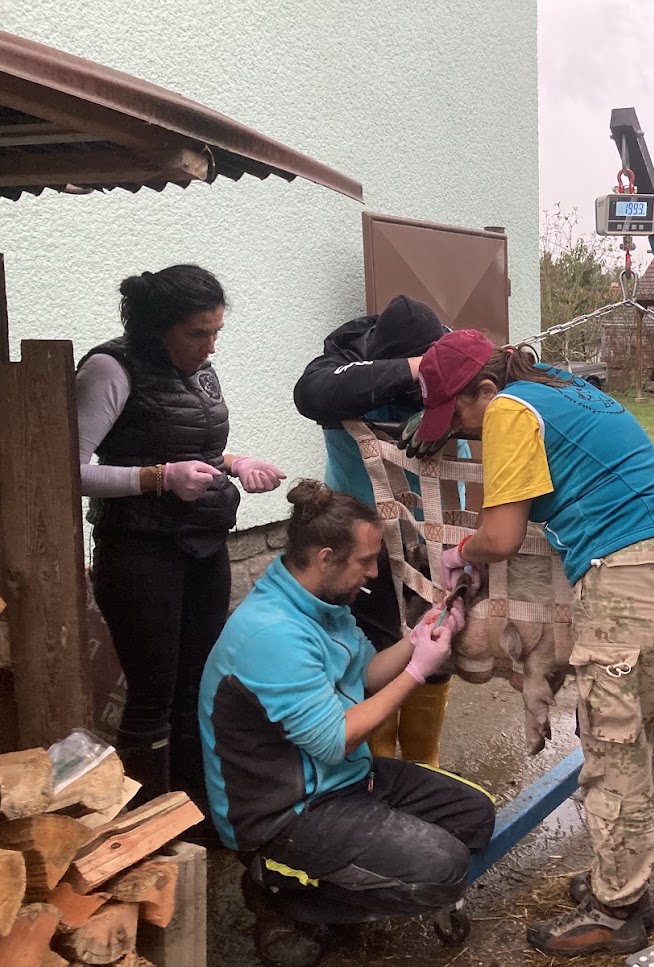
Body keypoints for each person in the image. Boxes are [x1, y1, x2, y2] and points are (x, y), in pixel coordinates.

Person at [411, 329, 654, 957]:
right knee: (626, 738)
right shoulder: (564, 388)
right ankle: (621, 881)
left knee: (610, 747)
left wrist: (458, 552)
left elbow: (503, 534)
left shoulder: (512, 410)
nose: (464, 434)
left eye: (459, 416)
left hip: (627, 578)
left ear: (485, 390)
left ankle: (616, 912)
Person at [199, 480, 495, 967]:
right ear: (324, 557)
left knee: (475, 814)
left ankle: (340, 879)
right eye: (366, 561)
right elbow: (335, 739)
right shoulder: (272, 634)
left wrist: (417, 638)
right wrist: (419, 672)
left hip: (346, 781)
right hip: (285, 813)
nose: (374, 573)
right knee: (441, 869)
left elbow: (365, 675)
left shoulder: (323, 607)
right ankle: (277, 893)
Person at [75, 264, 285, 812]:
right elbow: (65, 469)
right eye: (198, 333)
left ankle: (194, 817)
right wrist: (157, 479)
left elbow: (198, 441)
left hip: (203, 546)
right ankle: (146, 824)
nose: (210, 346)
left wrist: (239, 463)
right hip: (141, 554)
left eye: (217, 331)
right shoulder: (109, 368)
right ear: (156, 327)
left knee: (199, 687)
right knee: (153, 696)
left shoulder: (200, 370)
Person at [292, 295, 455, 768]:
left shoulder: (458, 350)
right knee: (376, 640)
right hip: (365, 533)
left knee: (436, 635)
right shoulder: (341, 356)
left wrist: (444, 407)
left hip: (436, 531)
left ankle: (424, 763)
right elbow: (311, 395)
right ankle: (379, 761)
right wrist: (414, 370)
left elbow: (498, 389)